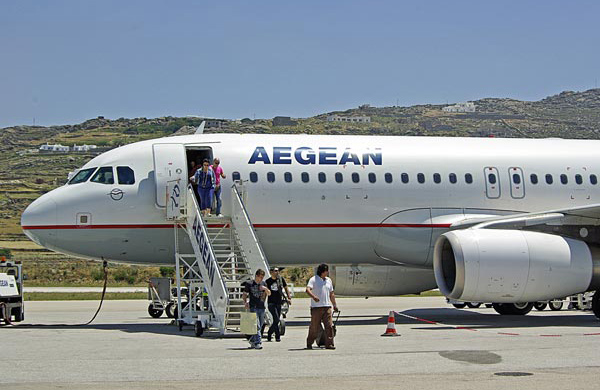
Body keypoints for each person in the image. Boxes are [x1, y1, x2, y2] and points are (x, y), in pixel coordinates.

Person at [305, 263, 338, 350]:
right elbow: (307, 290)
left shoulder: (328, 280)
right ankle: (309, 343)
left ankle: (329, 344)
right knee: (314, 327)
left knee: (329, 326)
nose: (327, 273)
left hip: (327, 307)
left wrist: (334, 305)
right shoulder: (313, 279)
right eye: (326, 271)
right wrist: (313, 297)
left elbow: (331, 294)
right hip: (316, 308)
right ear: (322, 271)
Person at [242, 269, 271, 349]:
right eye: (260, 277)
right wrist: (245, 302)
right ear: (256, 276)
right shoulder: (249, 284)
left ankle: (252, 341)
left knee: (260, 325)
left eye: (262, 277)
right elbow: (244, 294)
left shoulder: (263, 283)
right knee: (257, 325)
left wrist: (265, 289)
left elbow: (269, 293)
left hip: (261, 307)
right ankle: (258, 342)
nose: (261, 279)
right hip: (253, 307)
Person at [265, 267, 292, 342]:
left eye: (278, 271)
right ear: (271, 272)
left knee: (276, 320)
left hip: (278, 302)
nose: (277, 272)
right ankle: (270, 333)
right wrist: (262, 301)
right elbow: (265, 292)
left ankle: (277, 336)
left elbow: (286, 288)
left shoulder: (280, 280)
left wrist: (289, 298)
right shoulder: (268, 281)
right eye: (276, 271)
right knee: (276, 319)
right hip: (271, 303)